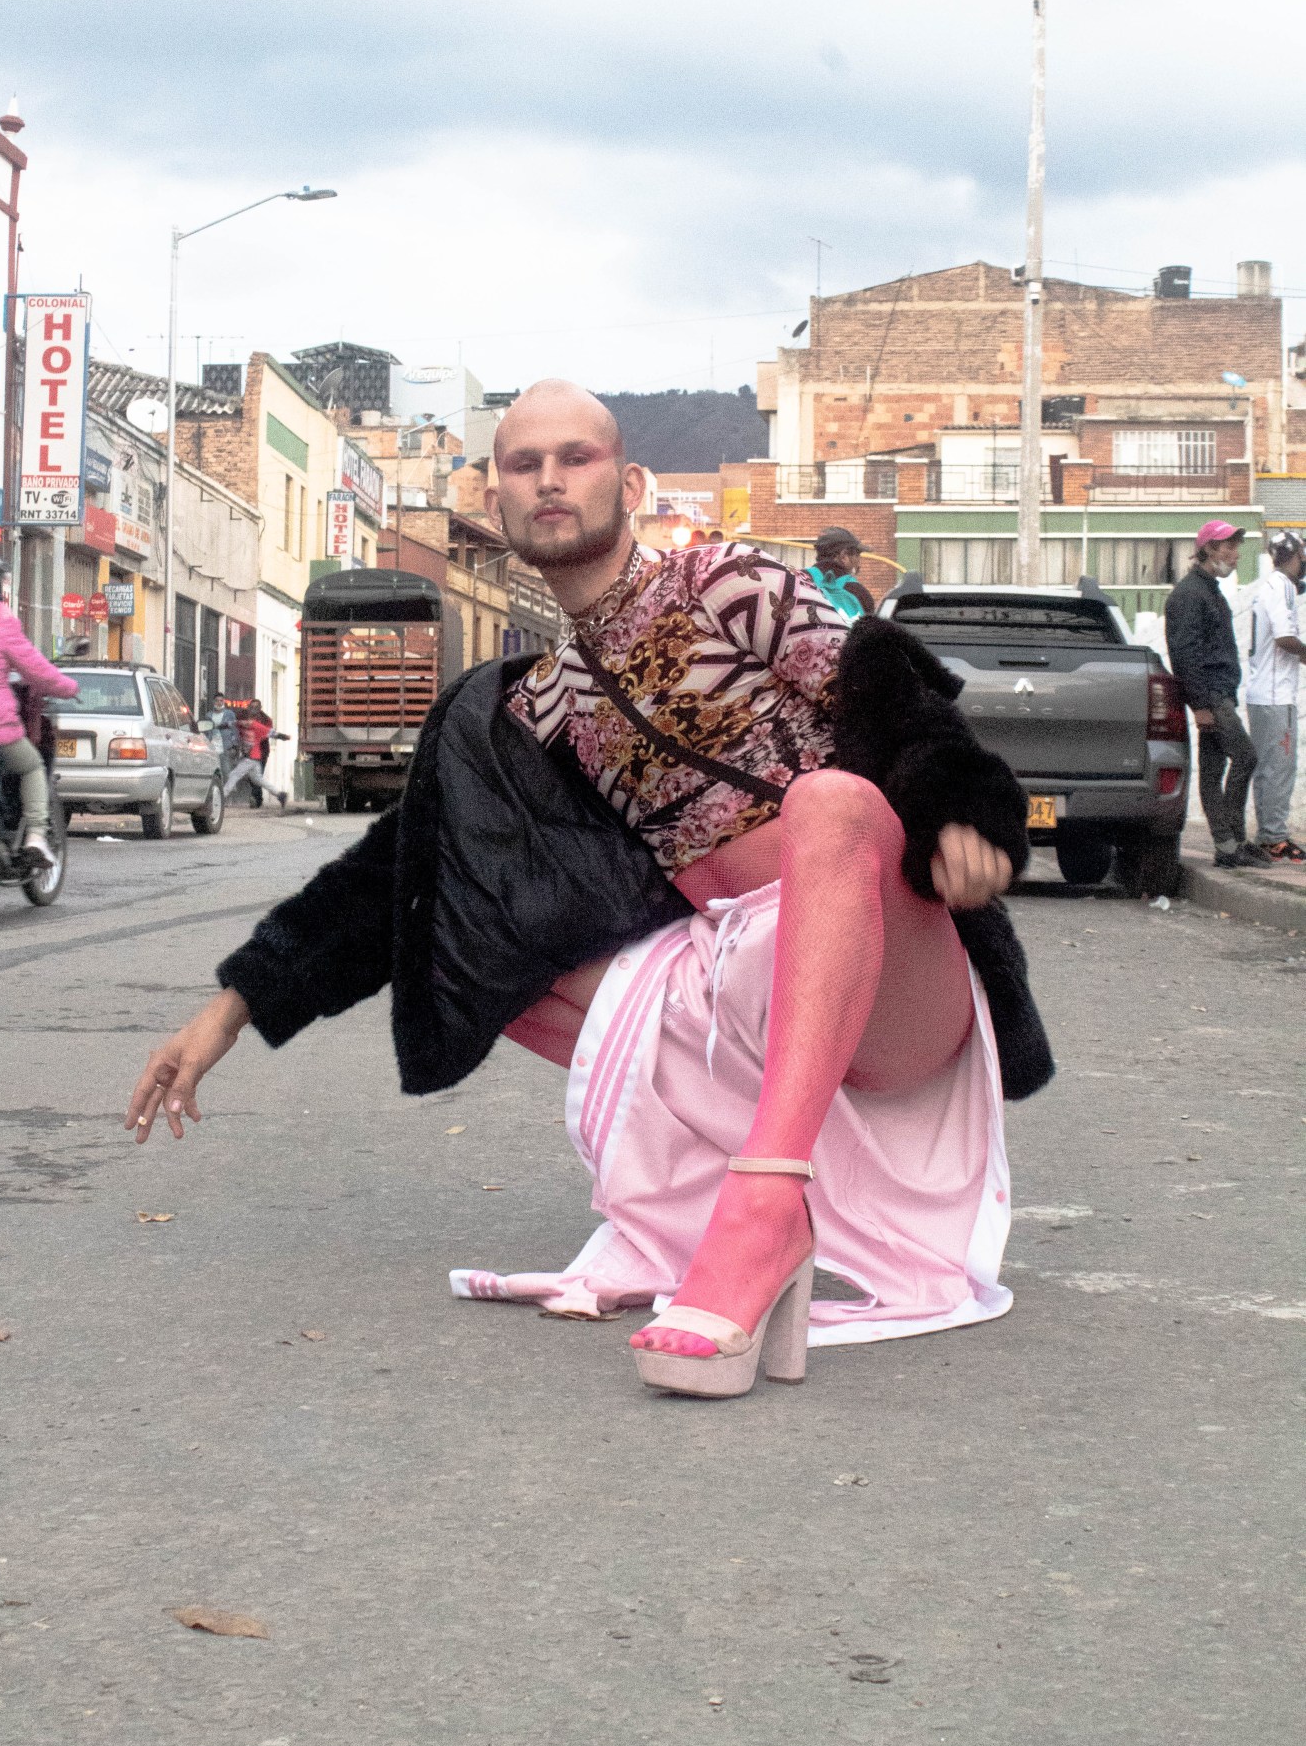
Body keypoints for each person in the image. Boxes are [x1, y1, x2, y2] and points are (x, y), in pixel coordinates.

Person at [125, 382, 1047, 1401]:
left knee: (831, 804)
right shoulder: (536, 708)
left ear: (630, 482)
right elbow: (399, 869)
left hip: (892, 970)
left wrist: (968, 814)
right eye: (524, 464)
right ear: (499, 496)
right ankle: (727, 1194)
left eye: (576, 457)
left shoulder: (725, 581)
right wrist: (233, 1007)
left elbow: (892, 688)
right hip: (743, 977)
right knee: (473, 935)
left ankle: (766, 1203)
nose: (551, 479)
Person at [1165, 521, 1267, 870]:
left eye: (1236, 548)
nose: (1235, 556)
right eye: (1228, 548)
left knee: (1212, 770)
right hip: (1211, 696)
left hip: (1219, 693)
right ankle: (1230, 840)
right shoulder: (1190, 594)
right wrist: (1200, 704)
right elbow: (1184, 653)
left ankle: (1229, 846)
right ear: (1209, 549)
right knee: (1246, 757)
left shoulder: (1208, 590)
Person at [0, 549, 78, 862]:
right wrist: (70, 687)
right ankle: (35, 834)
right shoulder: (2, 624)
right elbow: (37, 670)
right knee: (33, 765)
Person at [1245, 530, 1306, 861]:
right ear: (1295, 556)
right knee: (1279, 767)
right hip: (1274, 695)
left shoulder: (1266, 586)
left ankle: (1270, 834)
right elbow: (1285, 638)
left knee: (1269, 767)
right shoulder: (1282, 586)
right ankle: (1274, 837)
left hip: (1263, 693)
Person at [224, 698, 286, 809]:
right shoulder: (240, 723)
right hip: (252, 757)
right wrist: (216, 726)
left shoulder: (259, 724)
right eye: (244, 720)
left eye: (249, 720)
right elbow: (229, 724)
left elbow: (272, 733)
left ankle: (222, 797)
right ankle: (280, 794)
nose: (246, 723)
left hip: (253, 756)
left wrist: (284, 737)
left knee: (234, 775)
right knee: (258, 779)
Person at [806, 527, 875, 619]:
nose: (858, 561)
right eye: (857, 555)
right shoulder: (859, 593)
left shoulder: (800, 579)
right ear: (844, 556)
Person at [206, 693, 242, 781]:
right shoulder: (208, 715)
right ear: (213, 702)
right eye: (217, 701)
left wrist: (235, 745)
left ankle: (228, 789)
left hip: (226, 745)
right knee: (213, 769)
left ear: (224, 702)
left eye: (221, 701)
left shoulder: (229, 714)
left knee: (226, 769)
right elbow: (206, 730)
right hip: (212, 745)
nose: (219, 703)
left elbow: (235, 730)